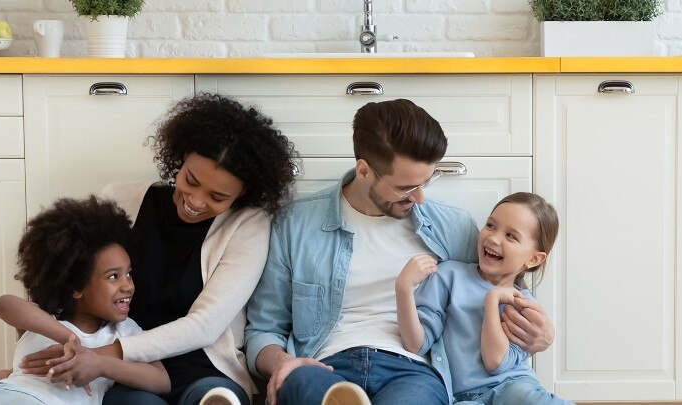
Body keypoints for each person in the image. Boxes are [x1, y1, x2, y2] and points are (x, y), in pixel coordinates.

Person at [245, 99, 556, 405]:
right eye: (406, 187)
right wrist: (281, 362)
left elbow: (499, 285)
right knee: (303, 383)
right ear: (364, 171)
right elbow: (264, 328)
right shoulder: (296, 224)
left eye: (426, 181)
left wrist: (541, 335)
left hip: (413, 369)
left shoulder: (453, 226)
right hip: (324, 364)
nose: (420, 197)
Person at [10, 93, 298, 405]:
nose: (196, 202)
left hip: (202, 367)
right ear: (182, 156)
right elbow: (68, 279)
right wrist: (22, 369)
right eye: (190, 180)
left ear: (242, 195)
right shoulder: (122, 199)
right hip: (127, 370)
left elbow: (206, 325)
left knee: (215, 399)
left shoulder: (248, 224)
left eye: (217, 197)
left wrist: (100, 355)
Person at [0, 196, 170, 405]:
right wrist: (71, 339)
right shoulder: (45, 318)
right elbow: (4, 305)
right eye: (113, 276)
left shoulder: (123, 332)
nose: (128, 285)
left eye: (128, 274)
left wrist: (99, 364)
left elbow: (161, 381)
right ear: (77, 286)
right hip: (10, 397)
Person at [397, 192, 572, 405]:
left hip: (512, 387)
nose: (494, 238)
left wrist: (492, 300)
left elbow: (495, 362)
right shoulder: (449, 275)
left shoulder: (525, 304)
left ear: (534, 259)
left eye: (511, 236)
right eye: (490, 225)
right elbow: (416, 344)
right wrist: (404, 289)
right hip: (461, 397)